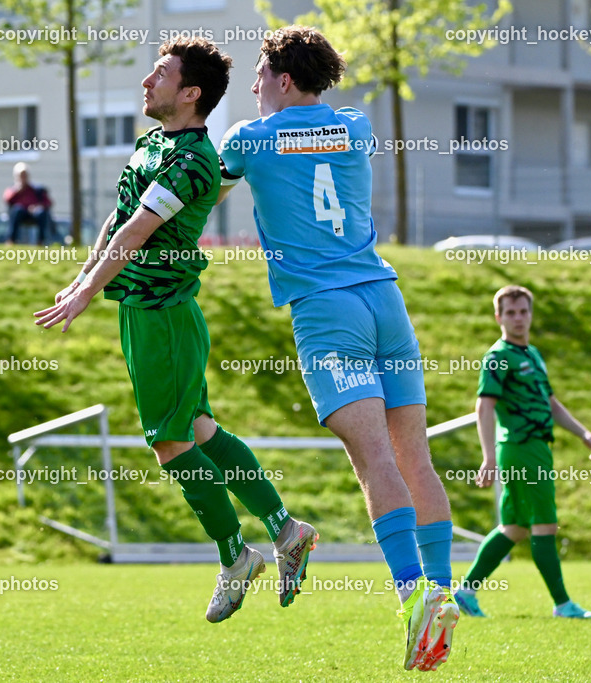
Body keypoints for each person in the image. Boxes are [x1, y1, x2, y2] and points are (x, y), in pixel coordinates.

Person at [33, 36, 317, 623]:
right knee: (202, 429)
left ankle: (235, 557)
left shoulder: (192, 160)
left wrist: (86, 293)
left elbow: (137, 232)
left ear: (190, 93)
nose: (146, 82)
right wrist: (84, 274)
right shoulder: (152, 144)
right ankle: (286, 530)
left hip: (162, 315)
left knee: (170, 442)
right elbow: (117, 217)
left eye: (159, 74)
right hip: (147, 314)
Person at [215, 26, 457, 671]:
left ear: (283, 80)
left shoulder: (249, 139)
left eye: (261, 77)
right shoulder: (355, 127)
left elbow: (207, 190)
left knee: (374, 458)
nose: (256, 89)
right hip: (385, 298)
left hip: (327, 311)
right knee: (415, 456)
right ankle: (441, 590)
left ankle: (411, 596)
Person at [455, 285, 591, 619]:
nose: (518, 318)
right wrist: (488, 456)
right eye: (510, 312)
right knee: (544, 524)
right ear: (498, 317)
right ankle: (563, 604)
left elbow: (550, 403)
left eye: (523, 311)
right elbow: (484, 406)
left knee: (516, 527)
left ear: (531, 314)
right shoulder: (498, 357)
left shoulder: (532, 354)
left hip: (535, 449)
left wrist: (583, 432)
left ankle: (466, 591)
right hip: (521, 450)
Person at [3, 162, 52, 245]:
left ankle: (41, 241)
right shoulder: (13, 189)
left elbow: (48, 202)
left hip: (34, 213)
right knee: (17, 210)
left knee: (41, 213)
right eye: (21, 175)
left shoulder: (37, 189)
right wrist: (18, 189)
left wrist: (37, 206)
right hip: (20, 213)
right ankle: (11, 240)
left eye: (25, 175)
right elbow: (7, 199)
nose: (23, 177)